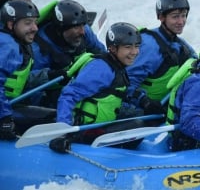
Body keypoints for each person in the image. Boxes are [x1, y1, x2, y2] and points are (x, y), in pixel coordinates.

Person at [49, 22, 144, 153]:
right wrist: (62, 132)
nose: (134, 52)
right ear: (113, 48)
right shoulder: (101, 68)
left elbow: (116, 94)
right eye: (128, 47)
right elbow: (68, 95)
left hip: (101, 124)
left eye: (137, 46)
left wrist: (144, 101)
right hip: (85, 130)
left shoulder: (118, 65)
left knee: (138, 114)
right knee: (137, 125)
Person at [125, 0, 198, 116]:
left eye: (184, 15)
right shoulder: (149, 46)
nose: (181, 21)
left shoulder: (179, 43)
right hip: (141, 110)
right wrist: (144, 101)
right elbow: (126, 83)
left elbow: (198, 62)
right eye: (175, 16)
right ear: (161, 17)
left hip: (165, 105)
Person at [31, 0, 106, 108]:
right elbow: (32, 88)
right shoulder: (39, 49)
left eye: (83, 25)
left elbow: (102, 54)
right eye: (76, 27)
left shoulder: (85, 31)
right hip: (54, 94)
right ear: (60, 29)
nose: (82, 32)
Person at [0, 0, 42, 140]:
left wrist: (52, 76)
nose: (35, 28)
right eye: (28, 23)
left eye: (35, 22)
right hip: (5, 110)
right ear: (11, 24)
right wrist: (5, 119)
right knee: (53, 117)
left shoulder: (15, 42)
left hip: (8, 105)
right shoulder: (8, 46)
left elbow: (16, 78)